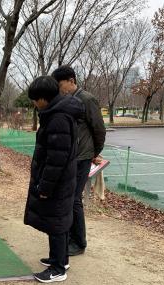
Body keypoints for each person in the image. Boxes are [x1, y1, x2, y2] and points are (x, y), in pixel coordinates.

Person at [24, 75, 84, 283]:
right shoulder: (55, 113)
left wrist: (45, 187)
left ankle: (58, 269)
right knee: (56, 220)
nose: (34, 103)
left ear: (44, 98)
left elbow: (56, 159)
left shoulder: (58, 118)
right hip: (60, 180)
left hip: (58, 181)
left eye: (35, 99)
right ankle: (60, 259)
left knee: (57, 222)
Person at [51, 65, 106, 256]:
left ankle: (79, 242)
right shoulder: (65, 100)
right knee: (67, 199)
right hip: (70, 157)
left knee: (74, 200)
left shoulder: (87, 99)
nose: (60, 89)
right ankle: (68, 237)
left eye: (61, 85)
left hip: (82, 157)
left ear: (71, 81)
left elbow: (99, 130)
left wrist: (93, 152)